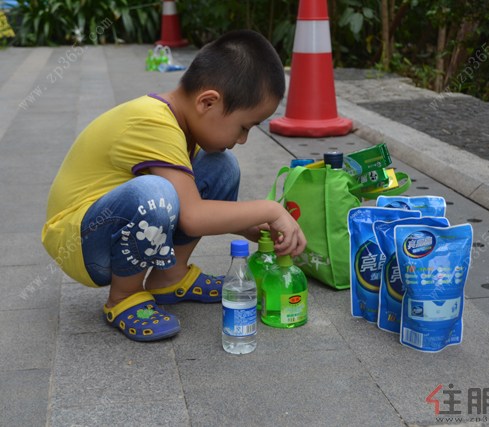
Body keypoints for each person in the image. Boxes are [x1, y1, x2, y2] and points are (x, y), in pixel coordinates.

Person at [42, 30, 307, 342]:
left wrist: (248, 225)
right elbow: (192, 215)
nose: (242, 140)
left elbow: (191, 204)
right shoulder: (153, 121)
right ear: (208, 102)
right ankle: (123, 297)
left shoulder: (182, 123)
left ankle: (169, 276)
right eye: (243, 127)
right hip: (80, 241)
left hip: (108, 226)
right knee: (154, 194)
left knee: (220, 167)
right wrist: (271, 209)